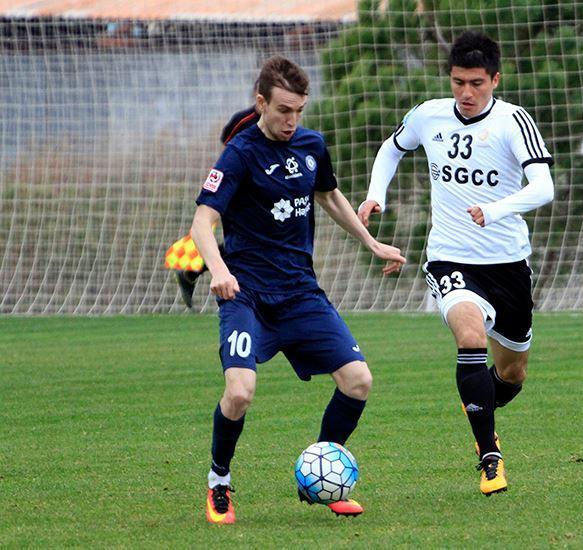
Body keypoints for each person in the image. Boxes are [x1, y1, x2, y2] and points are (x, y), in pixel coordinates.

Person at [192, 56, 405, 524]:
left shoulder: (311, 145)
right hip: (246, 296)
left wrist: (370, 242)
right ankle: (219, 481)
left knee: (358, 381)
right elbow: (202, 222)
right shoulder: (239, 154)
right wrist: (219, 271)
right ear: (261, 102)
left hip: (300, 294)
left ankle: (320, 474)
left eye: (299, 111)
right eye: (283, 110)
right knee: (240, 393)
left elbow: (328, 195)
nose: (292, 120)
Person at [358, 30, 554, 496]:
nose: (466, 93)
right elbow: (392, 148)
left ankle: (478, 400)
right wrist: (375, 194)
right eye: (458, 82)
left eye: (477, 83)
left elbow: (544, 187)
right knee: (469, 337)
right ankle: (489, 457)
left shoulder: (513, 121)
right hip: (450, 258)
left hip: (507, 264)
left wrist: (496, 210)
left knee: (512, 374)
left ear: (495, 80)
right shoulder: (429, 115)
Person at [166, 105, 260, 308]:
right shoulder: (245, 120)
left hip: (267, 193)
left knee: (258, 241)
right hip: (242, 192)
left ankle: (192, 272)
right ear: (262, 99)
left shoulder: (286, 123)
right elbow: (228, 145)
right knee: (247, 242)